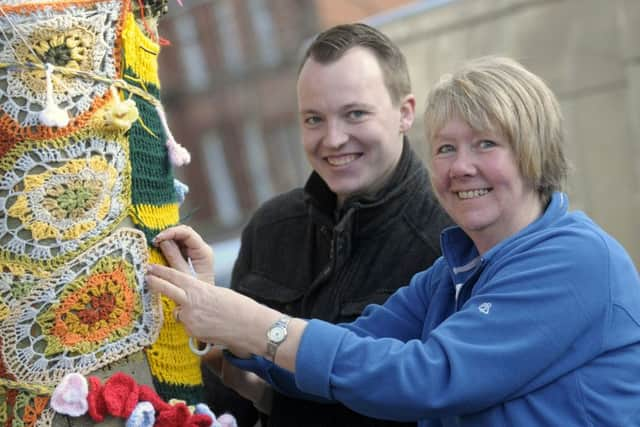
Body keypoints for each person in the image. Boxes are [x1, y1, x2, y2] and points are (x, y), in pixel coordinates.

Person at [147, 55, 640, 426]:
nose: (461, 166)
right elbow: (352, 351)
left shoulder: (575, 260)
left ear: (536, 153)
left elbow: (428, 377)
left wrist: (262, 327)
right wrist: (218, 315)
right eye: (446, 148)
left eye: (486, 144)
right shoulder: (452, 273)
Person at [159, 23, 451, 427]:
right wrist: (206, 322)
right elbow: (239, 404)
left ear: (405, 113)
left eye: (355, 114)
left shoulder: (451, 238)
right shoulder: (271, 227)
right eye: (314, 119)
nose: (333, 139)